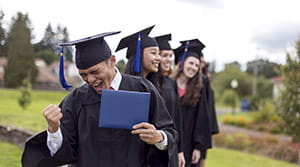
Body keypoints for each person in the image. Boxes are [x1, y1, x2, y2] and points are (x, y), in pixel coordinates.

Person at [21, 31, 178, 167]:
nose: (90, 79)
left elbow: (169, 132)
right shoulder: (76, 100)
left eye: (95, 72)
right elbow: (64, 151)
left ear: (112, 61)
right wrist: (54, 129)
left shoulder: (142, 88)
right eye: (83, 74)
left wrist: (159, 137)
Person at [115, 26, 179, 167]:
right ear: (138, 54)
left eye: (159, 53)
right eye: (153, 53)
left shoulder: (161, 87)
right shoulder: (121, 88)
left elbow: (169, 127)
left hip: (155, 158)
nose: (158, 58)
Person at [171, 39, 211, 167]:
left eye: (196, 66)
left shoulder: (198, 90)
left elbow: (202, 119)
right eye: (191, 63)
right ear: (182, 62)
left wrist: (198, 148)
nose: (193, 68)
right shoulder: (168, 84)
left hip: (189, 144)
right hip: (169, 140)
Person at [154, 34, 185, 167]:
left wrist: (180, 150)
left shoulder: (172, 83)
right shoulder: (148, 82)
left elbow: (177, 119)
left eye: (171, 56)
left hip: (169, 144)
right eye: (164, 55)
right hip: (151, 145)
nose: (169, 59)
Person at [198, 57, 219, 167]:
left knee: (202, 156)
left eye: (201, 62)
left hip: (203, 124)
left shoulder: (205, 80)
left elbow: (208, 105)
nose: (200, 64)